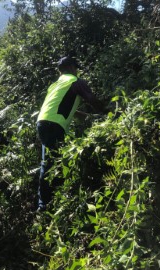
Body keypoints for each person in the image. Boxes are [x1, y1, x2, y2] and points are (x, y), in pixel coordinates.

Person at [36, 56, 105, 211]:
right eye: (76, 68)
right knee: (49, 164)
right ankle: (44, 205)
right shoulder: (75, 81)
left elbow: (63, 106)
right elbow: (92, 100)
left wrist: (85, 117)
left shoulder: (55, 85)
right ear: (73, 68)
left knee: (49, 162)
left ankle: (48, 201)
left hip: (42, 122)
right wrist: (105, 112)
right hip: (54, 125)